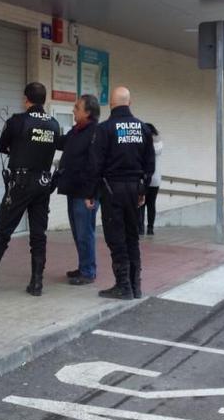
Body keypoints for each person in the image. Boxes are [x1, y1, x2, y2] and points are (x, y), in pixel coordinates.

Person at [0, 82, 61, 297]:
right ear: (44, 100)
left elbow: (2, 146)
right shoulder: (55, 125)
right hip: (43, 185)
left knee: (3, 232)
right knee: (39, 235)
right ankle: (37, 283)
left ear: (26, 99)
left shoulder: (18, 121)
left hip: (20, 183)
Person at [85, 87, 155, 300]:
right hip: (134, 189)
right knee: (132, 236)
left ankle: (123, 286)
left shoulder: (105, 129)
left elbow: (95, 164)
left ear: (111, 105)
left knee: (116, 238)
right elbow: (149, 163)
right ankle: (135, 286)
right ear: (130, 103)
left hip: (111, 190)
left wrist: (91, 193)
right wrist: (143, 189)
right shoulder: (143, 128)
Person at [56, 94, 101, 285]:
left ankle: (88, 271)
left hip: (85, 193)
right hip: (73, 189)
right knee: (77, 232)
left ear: (88, 112)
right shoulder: (77, 130)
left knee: (85, 232)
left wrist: (91, 193)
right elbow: (62, 143)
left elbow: (95, 166)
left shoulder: (95, 133)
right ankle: (83, 266)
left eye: (77, 107)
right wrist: (43, 132)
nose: (73, 110)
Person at [138, 123, 163, 235]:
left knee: (141, 202)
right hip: (156, 178)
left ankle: (140, 228)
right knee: (151, 204)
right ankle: (150, 228)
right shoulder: (160, 144)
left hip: (145, 177)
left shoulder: (144, 143)